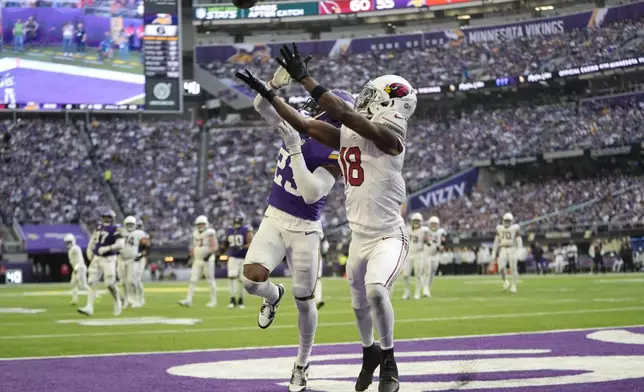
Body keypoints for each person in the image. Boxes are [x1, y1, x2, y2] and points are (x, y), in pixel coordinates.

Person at [236, 42, 418, 392]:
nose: (365, 101)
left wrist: (305, 79)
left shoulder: (390, 138)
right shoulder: (348, 134)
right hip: (356, 235)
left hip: (382, 234)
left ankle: (388, 360)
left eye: (373, 97)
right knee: (358, 304)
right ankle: (369, 354)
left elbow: (346, 119)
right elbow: (303, 121)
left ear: (389, 105)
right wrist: (270, 92)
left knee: (376, 291)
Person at [237, 62, 354, 392]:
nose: (312, 107)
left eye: (319, 106)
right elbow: (261, 105)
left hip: (304, 229)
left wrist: (293, 148)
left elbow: (312, 192)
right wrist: (274, 82)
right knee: (249, 280)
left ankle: (302, 363)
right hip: (274, 217)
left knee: (305, 301)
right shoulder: (300, 123)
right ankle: (273, 295)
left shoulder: (336, 146)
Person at [78, 210, 124, 316]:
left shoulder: (116, 229)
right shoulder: (99, 226)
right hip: (97, 257)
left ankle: (118, 301)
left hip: (109, 258)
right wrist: (89, 249)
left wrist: (107, 248)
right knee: (91, 282)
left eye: (109, 217)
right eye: (105, 217)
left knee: (109, 284)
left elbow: (121, 244)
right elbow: (93, 238)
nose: (106, 219)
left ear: (112, 218)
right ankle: (89, 307)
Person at [178, 215, 218, 307]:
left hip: (208, 260)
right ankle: (188, 300)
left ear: (206, 224)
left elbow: (215, 246)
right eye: (199, 224)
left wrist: (208, 255)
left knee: (210, 280)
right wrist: (189, 256)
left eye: (202, 224)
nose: (200, 226)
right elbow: (194, 246)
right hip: (197, 260)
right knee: (193, 280)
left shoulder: (210, 232)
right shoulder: (195, 233)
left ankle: (213, 301)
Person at [117, 216, 149, 308]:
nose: (130, 226)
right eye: (128, 224)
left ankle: (139, 298)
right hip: (121, 258)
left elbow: (147, 246)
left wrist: (141, 254)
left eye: (132, 224)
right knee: (123, 282)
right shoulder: (121, 231)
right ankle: (128, 299)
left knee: (133, 280)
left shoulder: (140, 233)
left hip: (134, 258)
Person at [224, 214, 253, 309]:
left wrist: (242, 247)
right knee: (231, 277)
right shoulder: (229, 231)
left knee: (242, 279)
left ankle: (240, 300)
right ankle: (232, 299)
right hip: (233, 257)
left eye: (238, 222)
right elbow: (226, 244)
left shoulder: (246, 230)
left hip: (243, 257)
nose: (236, 224)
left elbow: (251, 243)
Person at [491, 212, 522, 293]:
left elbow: (519, 240)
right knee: (500, 267)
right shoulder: (499, 228)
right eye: (506, 220)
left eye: (508, 221)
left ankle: (514, 285)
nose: (507, 222)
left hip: (512, 248)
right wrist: (494, 251)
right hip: (503, 249)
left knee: (513, 267)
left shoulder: (515, 228)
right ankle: (505, 281)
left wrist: (519, 250)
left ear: (511, 221)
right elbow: (496, 241)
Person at [402, 212, 428, 300]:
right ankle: (407, 292)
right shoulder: (407, 229)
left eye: (418, 221)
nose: (416, 222)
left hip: (419, 254)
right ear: (411, 221)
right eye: (415, 220)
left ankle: (417, 293)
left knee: (418, 274)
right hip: (408, 253)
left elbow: (429, 241)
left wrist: (427, 239)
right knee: (405, 275)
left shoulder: (424, 231)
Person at [424, 215, 446, 296]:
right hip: (427, 254)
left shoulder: (441, 232)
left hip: (436, 254)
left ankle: (428, 288)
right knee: (427, 272)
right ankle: (425, 288)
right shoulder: (426, 231)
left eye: (435, 224)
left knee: (433, 272)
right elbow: (425, 241)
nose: (433, 225)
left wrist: (441, 247)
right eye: (432, 224)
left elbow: (443, 242)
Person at [131, 218, 150, 307]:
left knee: (137, 280)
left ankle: (141, 298)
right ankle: (135, 298)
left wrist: (141, 254)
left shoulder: (143, 235)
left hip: (140, 258)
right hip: (133, 258)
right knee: (133, 280)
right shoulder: (130, 234)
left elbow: (147, 247)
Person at [65, 233, 87, 305]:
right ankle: (74, 300)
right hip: (76, 269)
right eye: (67, 242)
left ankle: (95, 294)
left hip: (80, 268)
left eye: (69, 242)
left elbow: (79, 260)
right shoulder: (71, 250)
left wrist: (76, 269)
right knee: (73, 283)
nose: (68, 244)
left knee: (82, 286)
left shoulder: (75, 248)